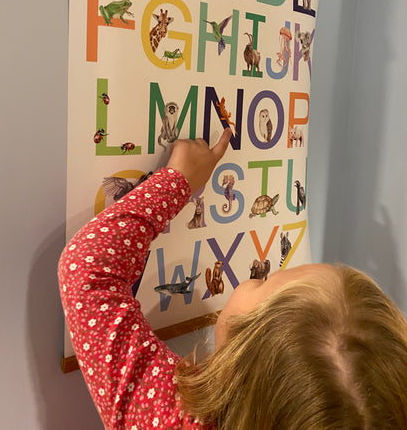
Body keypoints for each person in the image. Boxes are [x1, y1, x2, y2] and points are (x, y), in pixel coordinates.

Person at [59, 129, 407, 429]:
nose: (260, 275)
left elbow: (88, 271)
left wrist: (176, 183)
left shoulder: (171, 414)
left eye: (267, 280)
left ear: (238, 358)